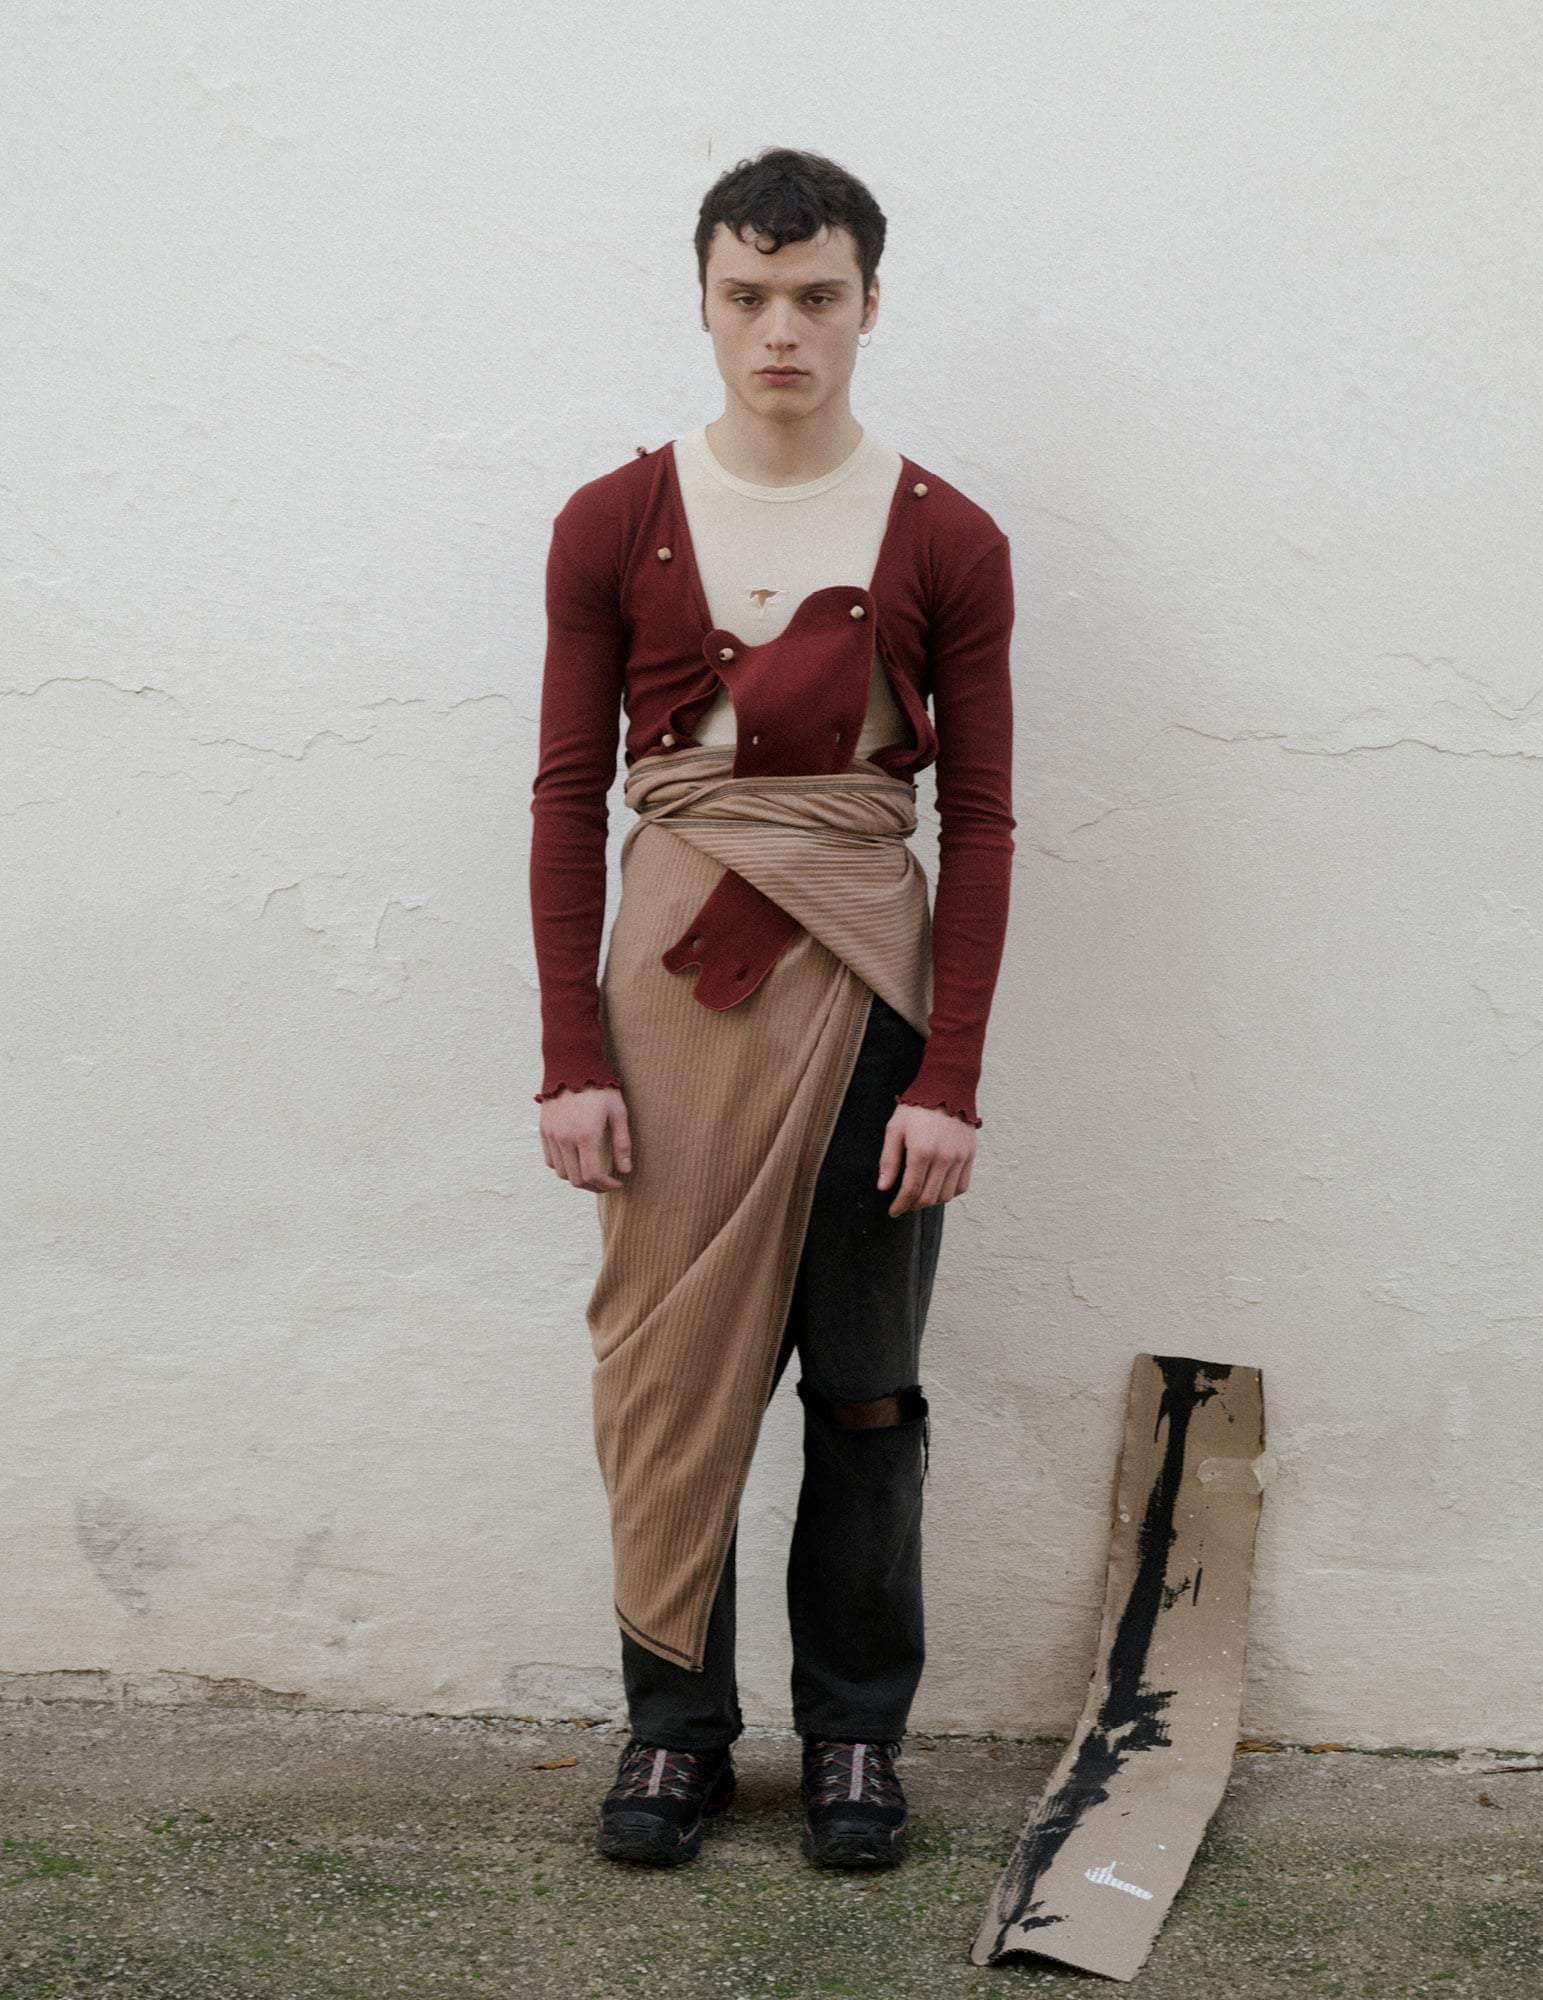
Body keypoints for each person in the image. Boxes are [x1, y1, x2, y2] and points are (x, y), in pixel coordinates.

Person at [529, 147, 1016, 1871]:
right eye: (748, 296)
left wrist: (950, 1076)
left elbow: (984, 818)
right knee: (672, 1374)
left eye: (816, 296)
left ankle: (854, 1740)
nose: (782, 330)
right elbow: (568, 793)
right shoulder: (614, 520)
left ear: (870, 303)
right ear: (705, 304)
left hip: (873, 990)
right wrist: (569, 1056)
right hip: (671, 999)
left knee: (867, 1388)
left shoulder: (947, 536)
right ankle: (674, 1735)